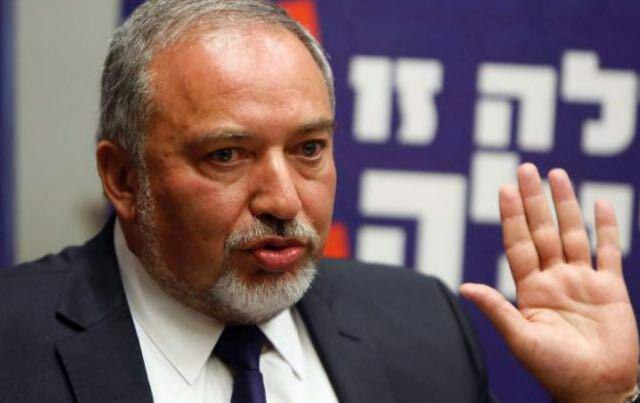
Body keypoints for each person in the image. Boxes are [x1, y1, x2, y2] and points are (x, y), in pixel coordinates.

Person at [1, 0, 638, 402]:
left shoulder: (423, 326)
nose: (283, 200)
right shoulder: (12, 345)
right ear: (122, 178)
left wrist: (603, 399)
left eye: (309, 149)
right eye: (227, 155)